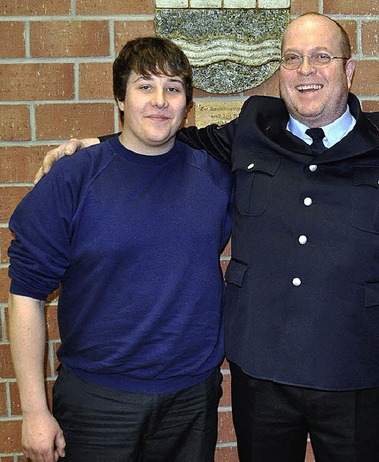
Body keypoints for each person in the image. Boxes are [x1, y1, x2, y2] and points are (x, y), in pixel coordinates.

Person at [37, 14, 379, 462]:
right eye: (293, 58)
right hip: (261, 370)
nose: (307, 70)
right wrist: (96, 147)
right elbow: (168, 139)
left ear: (350, 70)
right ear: (280, 71)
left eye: (322, 56)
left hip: (353, 374)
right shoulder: (252, 126)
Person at [8, 37, 233, 462]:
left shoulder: (215, 178)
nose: (160, 101)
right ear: (120, 98)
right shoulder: (74, 176)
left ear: (187, 104)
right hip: (98, 401)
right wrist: (35, 410)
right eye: (144, 86)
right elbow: (25, 295)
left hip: (191, 397)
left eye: (173, 88)